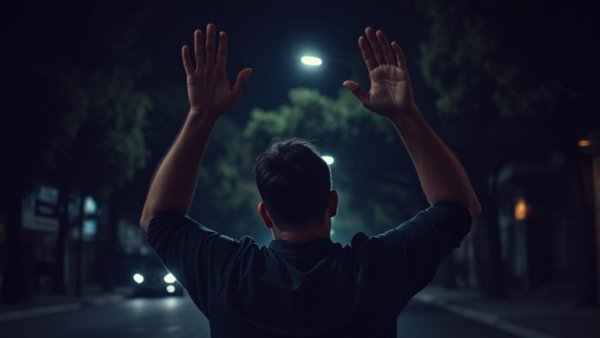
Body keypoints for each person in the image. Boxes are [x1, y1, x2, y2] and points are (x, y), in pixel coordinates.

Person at [140, 23, 481, 338]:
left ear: (265, 214)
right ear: (332, 203)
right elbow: (459, 206)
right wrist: (405, 114)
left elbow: (158, 219)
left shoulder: (229, 273)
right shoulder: (374, 272)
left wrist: (200, 116)